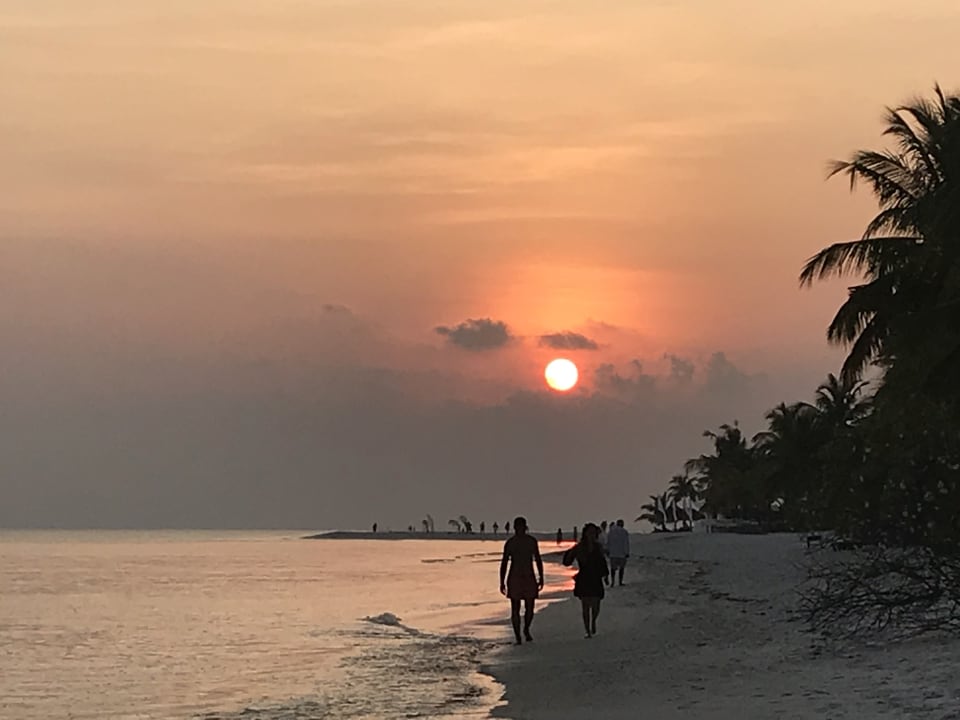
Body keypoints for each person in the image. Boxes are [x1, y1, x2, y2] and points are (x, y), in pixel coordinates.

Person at [499, 516, 544, 645]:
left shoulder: (531, 541)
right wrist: (502, 581)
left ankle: (526, 629)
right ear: (515, 528)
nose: (520, 529)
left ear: (525, 527)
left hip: (529, 576)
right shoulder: (510, 543)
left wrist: (541, 577)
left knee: (530, 607)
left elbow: (538, 559)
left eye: (522, 527)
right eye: (518, 527)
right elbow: (504, 563)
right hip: (515, 577)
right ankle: (518, 635)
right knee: (515, 608)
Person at [563, 523, 608, 638]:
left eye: (593, 533)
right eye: (589, 532)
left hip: (596, 577)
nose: (591, 535)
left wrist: (605, 575)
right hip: (584, 577)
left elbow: (602, 562)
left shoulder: (598, 547)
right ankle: (587, 630)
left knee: (596, 605)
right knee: (585, 605)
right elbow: (567, 561)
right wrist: (568, 553)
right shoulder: (580, 547)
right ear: (585, 533)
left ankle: (593, 621)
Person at [606, 519, 630, 586]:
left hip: (613, 553)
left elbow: (608, 542)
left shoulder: (611, 532)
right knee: (621, 568)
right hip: (622, 554)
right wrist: (627, 552)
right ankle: (620, 581)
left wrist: (608, 550)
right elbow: (626, 543)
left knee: (613, 569)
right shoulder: (624, 532)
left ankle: (612, 582)